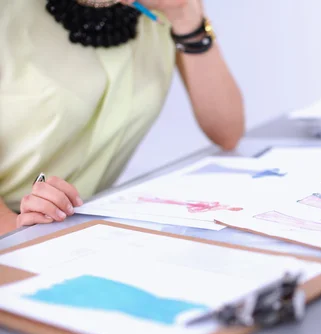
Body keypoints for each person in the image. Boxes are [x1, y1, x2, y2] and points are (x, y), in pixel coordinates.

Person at [0, 0, 245, 235]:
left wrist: (186, 18)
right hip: (15, 234)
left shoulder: (161, 10)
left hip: (78, 229)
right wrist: (15, 228)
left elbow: (227, 131)